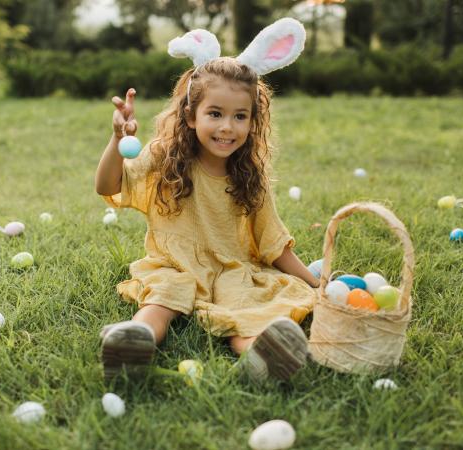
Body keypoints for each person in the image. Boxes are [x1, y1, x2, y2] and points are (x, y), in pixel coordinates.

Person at [94, 18, 318, 383]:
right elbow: (107, 184)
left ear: (252, 122)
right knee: (162, 300)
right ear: (190, 115)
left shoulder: (251, 177)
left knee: (243, 305)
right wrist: (117, 140)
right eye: (215, 113)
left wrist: (314, 283)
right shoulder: (164, 157)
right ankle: (135, 343)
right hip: (174, 264)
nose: (228, 127)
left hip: (230, 267)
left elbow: (273, 244)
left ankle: (259, 358)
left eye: (240, 116)